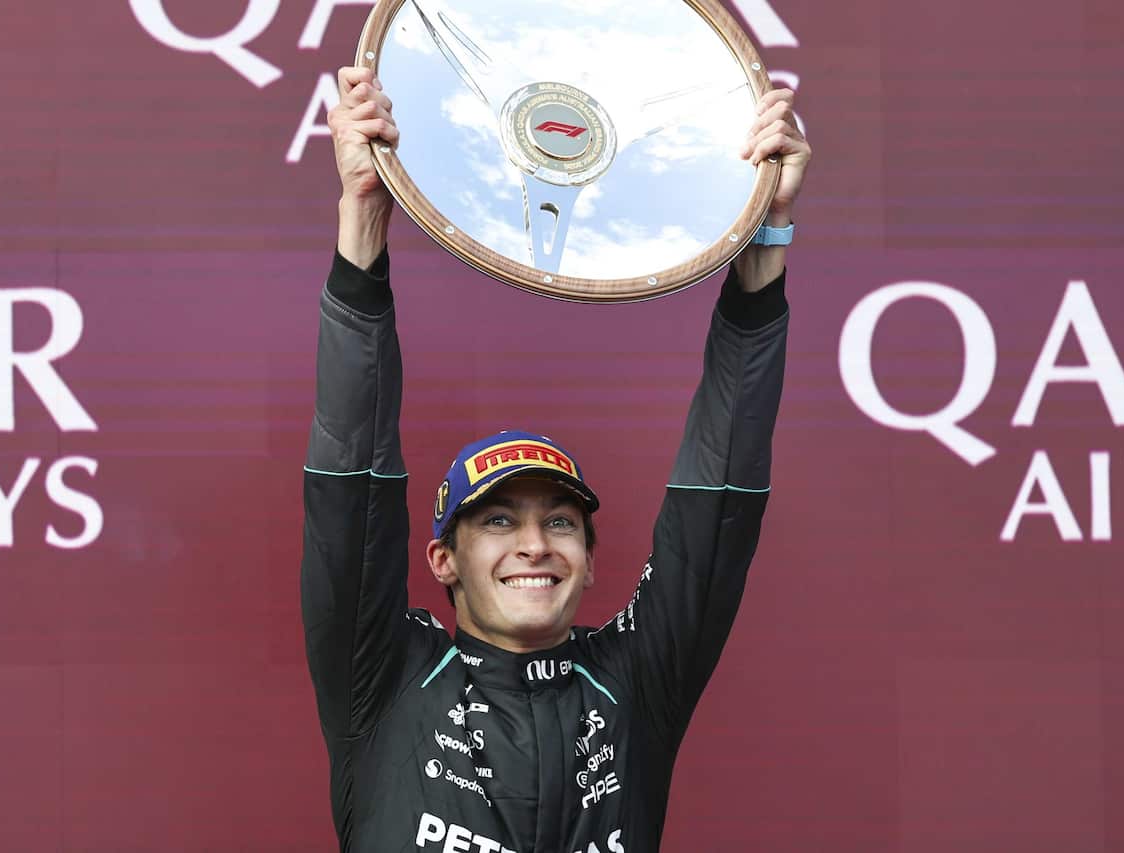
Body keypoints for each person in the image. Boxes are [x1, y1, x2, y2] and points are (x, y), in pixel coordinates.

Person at [302, 65, 810, 853]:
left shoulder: (635, 681)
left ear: (590, 560)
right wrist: (363, 218)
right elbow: (352, 489)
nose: (535, 544)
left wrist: (764, 238)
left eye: (562, 522)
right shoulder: (383, 675)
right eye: (499, 519)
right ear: (442, 557)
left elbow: (718, 505)